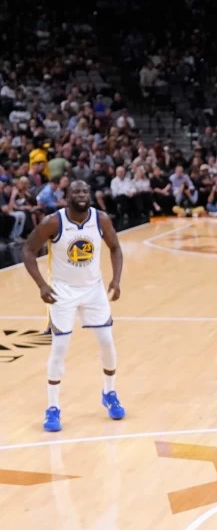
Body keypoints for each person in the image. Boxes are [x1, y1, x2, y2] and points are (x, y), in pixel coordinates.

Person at [21, 180, 126, 432]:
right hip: (63, 292)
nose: (81, 195)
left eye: (84, 191)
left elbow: (116, 248)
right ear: (67, 196)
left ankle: (109, 393)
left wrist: (116, 279)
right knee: (59, 349)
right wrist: (41, 285)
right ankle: (53, 408)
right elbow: (27, 250)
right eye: (76, 191)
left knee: (107, 343)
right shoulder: (53, 222)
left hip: (93, 290)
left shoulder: (100, 219)